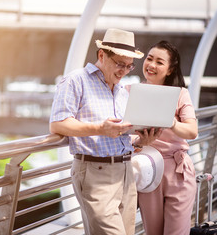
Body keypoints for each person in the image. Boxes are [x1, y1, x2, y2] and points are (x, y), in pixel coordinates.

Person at [49, 28, 161, 235]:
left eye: (129, 66)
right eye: (120, 64)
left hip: (127, 172)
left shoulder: (121, 90)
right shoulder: (75, 81)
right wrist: (100, 128)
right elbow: (58, 124)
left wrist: (140, 141)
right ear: (102, 55)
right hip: (95, 174)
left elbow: (119, 134)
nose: (124, 71)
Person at [132, 40, 198, 235]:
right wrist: (137, 142)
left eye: (160, 62)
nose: (151, 65)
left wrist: (173, 123)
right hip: (148, 171)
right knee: (153, 232)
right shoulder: (131, 93)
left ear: (170, 70)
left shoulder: (180, 94)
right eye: (149, 59)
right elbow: (124, 134)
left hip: (177, 172)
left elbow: (192, 131)